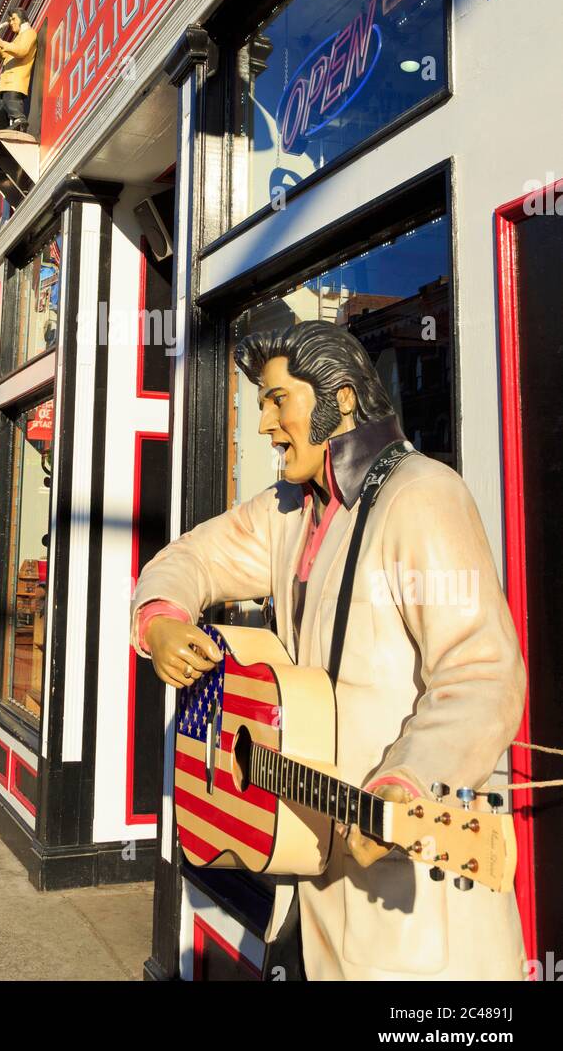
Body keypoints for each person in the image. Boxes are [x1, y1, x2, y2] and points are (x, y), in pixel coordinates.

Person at [130, 320, 527, 981]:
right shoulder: (287, 511)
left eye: (277, 400)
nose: (263, 424)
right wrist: (164, 620)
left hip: (412, 898)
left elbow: (482, 675)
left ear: (340, 400)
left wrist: (406, 782)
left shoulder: (422, 495)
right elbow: (192, 558)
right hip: (313, 873)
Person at [0, 8, 37, 133]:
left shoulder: (29, 33)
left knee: (12, 102)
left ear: (22, 19)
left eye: (14, 19)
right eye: (10, 20)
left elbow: (22, 50)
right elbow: (7, 55)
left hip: (15, 80)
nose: (11, 23)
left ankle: (20, 121)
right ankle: (2, 132)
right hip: (6, 82)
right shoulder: (17, 38)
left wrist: (2, 43)